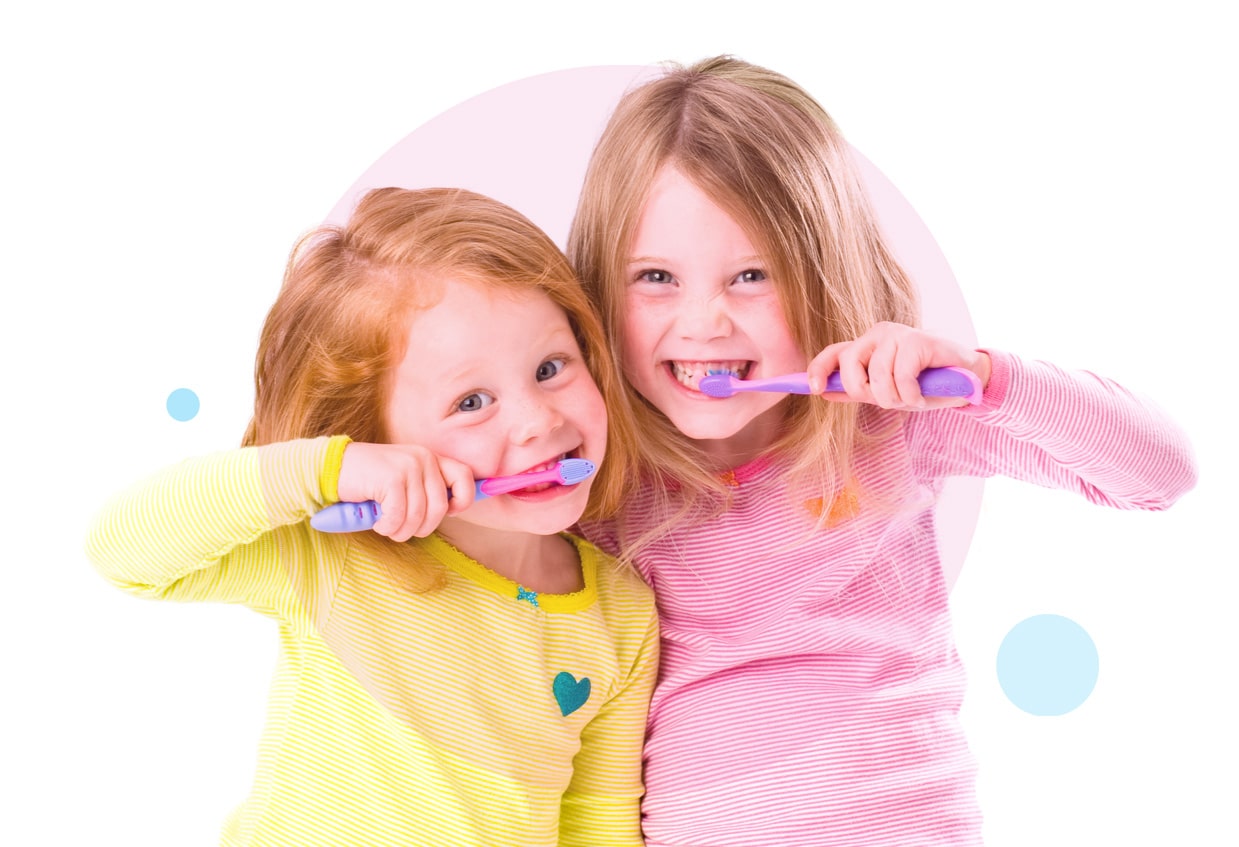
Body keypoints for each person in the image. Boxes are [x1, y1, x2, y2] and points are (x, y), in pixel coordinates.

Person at [566, 56, 1197, 847]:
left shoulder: (889, 421)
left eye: (751, 275)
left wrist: (981, 377)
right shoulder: (593, 485)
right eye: (655, 277)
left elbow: (1160, 473)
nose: (704, 321)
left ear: (823, 275)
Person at [85, 187, 659, 847]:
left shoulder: (620, 613)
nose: (538, 421)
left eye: (550, 367)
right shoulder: (336, 555)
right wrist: (326, 470)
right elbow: (120, 551)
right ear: (371, 434)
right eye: (472, 400)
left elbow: (595, 823)